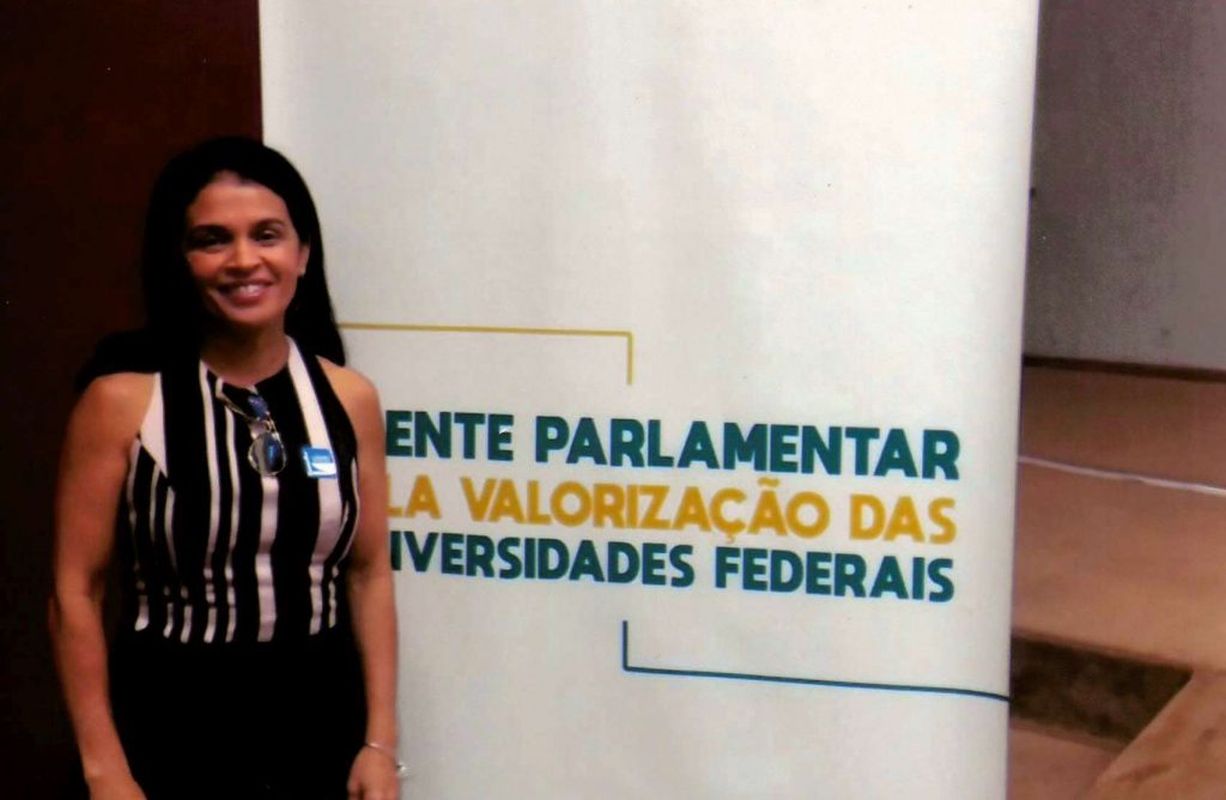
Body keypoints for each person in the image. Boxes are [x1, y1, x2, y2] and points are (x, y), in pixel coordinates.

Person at [49, 137, 402, 799]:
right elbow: (76, 590)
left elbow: (369, 573)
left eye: (267, 235)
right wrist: (105, 770)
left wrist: (380, 743)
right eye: (213, 240)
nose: (244, 260)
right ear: (181, 259)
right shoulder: (122, 401)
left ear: (302, 253)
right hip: (170, 718)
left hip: (320, 717)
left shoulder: (349, 399)